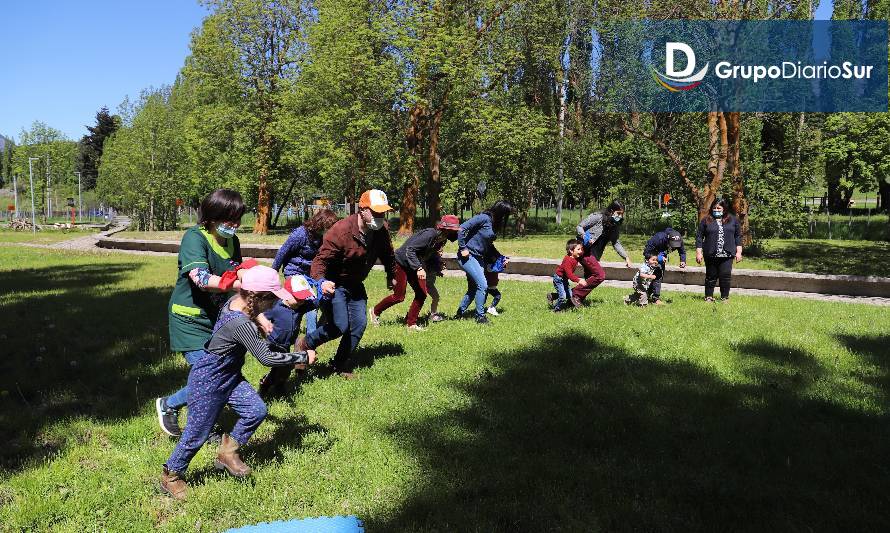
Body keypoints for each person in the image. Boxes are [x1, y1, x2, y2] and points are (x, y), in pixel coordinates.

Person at [159, 266, 312, 501]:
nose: (274, 305)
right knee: (196, 434)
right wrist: (301, 357)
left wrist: (259, 319)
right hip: (208, 381)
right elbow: (266, 358)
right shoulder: (241, 324)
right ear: (259, 298)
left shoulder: (236, 302)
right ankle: (171, 475)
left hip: (229, 376)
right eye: (272, 299)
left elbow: (251, 321)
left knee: (256, 410)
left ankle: (227, 452)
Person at [156, 189, 249, 438]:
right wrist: (237, 284)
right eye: (230, 219)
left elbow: (236, 271)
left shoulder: (233, 241)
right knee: (212, 375)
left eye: (238, 218)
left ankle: (172, 405)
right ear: (212, 216)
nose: (235, 225)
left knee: (215, 374)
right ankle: (197, 425)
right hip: (189, 320)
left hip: (216, 320)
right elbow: (200, 278)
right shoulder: (194, 238)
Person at [294, 190, 396, 379]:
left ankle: (339, 363)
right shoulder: (341, 230)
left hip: (356, 283)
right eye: (375, 212)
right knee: (339, 325)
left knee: (358, 324)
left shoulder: (380, 231)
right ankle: (305, 344)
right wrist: (321, 282)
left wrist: (392, 275)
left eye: (383, 213)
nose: (380, 217)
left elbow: (388, 253)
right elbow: (320, 261)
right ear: (362, 209)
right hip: (335, 283)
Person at [370, 215, 461, 330]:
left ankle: (411, 323)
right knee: (399, 296)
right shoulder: (430, 234)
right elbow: (410, 250)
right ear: (447, 229)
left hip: (412, 264)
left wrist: (437, 267)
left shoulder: (441, 240)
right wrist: (419, 268)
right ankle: (375, 311)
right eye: (455, 230)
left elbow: (430, 254)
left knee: (421, 293)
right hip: (400, 262)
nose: (456, 233)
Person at [257, 274, 326, 398]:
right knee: (281, 367)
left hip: (287, 344)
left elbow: (315, 303)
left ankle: (279, 385)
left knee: (285, 369)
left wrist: (323, 292)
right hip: (273, 344)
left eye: (304, 298)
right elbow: (260, 318)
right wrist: (261, 327)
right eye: (299, 298)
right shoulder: (275, 307)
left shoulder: (300, 307)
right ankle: (266, 384)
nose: (302, 301)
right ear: (286, 295)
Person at [271, 209, 339, 335]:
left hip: (312, 274)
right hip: (295, 272)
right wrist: (273, 271)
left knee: (324, 301)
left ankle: (317, 331)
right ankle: (309, 337)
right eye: (329, 227)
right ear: (321, 224)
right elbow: (283, 252)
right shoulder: (300, 234)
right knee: (306, 302)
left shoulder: (323, 237)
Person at [455, 200, 513, 324]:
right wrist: (462, 248)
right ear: (500, 212)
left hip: (479, 257)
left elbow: (489, 246)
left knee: (473, 288)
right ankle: (480, 316)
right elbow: (461, 229)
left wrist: (501, 257)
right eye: (505, 214)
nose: (505, 218)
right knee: (483, 285)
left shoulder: (492, 224)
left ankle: (459, 313)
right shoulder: (484, 218)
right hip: (468, 256)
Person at [573, 200, 634, 304]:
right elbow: (579, 227)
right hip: (585, 251)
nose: (620, 216)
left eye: (621, 214)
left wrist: (626, 257)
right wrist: (586, 237)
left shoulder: (614, 225)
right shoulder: (597, 217)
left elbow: (616, 242)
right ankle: (574, 295)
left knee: (589, 279)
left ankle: (564, 298)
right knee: (600, 275)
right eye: (618, 213)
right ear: (611, 211)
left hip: (595, 255)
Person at [695, 198, 743, 301]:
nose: (716, 210)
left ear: (724, 209)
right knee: (711, 276)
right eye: (714, 208)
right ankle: (708, 297)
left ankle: (724, 297)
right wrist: (699, 253)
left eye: (719, 208)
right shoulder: (706, 220)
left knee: (725, 276)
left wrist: (739, 252)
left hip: (727, 254)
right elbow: (699, 237)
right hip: (711, 253)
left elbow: (738, 237)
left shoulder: (733, 220)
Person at [642, 227, 687, 305]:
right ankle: (644, 295)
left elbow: (682, 251)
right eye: (672, 245)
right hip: (652, 256)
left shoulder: (678, 239)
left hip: (662, 257)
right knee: (649, 278)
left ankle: (655, 298)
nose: (673, 248)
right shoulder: (658, 238)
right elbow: (646, 252)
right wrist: (658, 258)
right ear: (667, 239)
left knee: (658, 276)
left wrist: (683, 260)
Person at [550, 239, 587, 312]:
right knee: (563, 297)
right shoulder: (567, 260)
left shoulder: (575, 256)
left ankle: (552, 296)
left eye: (581, 249)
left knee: (569, 295)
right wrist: (579, 280)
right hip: (559, 279)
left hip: (564, 279)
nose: (581, 251)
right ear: (571, 251)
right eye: (578, 249)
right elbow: (569, 274)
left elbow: (583, 253)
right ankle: (556, 309)